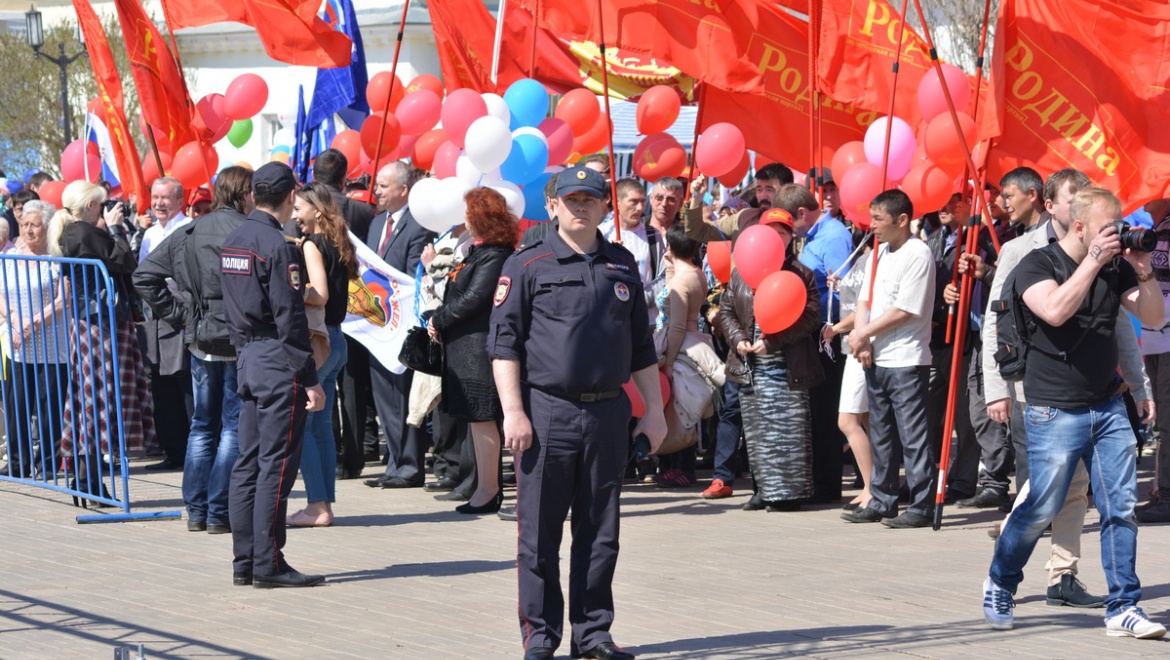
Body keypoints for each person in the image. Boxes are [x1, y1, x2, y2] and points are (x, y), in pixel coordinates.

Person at [489, 166, 667, 660]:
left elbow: (641, 349)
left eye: (591, 199)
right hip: (547, 412)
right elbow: (504, 345)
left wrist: (654, 411)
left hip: (608, 413)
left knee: (600, 530)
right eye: (571, 199)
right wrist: (514, 412)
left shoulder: (621, 265)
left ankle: (592, 634)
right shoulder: (527, 264)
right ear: (552, 206)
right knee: (539, 535)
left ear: (605, 207)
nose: (581, 206)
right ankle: (541, 638)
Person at [981, 188, 1164, 639]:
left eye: (1119, 225)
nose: (1117, 235)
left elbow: (1157, 317)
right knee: (1041, 506)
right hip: (1052, 409)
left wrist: (1142, 274)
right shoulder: (1036, 265)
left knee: (1119, 506)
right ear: (1080, 227)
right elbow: (1056, 311)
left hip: (1107, 404)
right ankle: (1001, 581)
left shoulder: (1116, 266)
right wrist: (1094, 262)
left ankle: (1123, 606)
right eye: (1108, 227)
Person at [220, 162, 326, 589]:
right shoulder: (277, 246)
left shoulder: (235, 239)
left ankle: (245, 559)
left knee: (249, 462)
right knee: (276, 466)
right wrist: (310, 376)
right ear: (288, 197)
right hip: (278, 359)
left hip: (249, 355)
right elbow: (290, 319)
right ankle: (268, 562)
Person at [134, 167, 254, 534]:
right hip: (231, 338)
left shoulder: (193, 230)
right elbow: (144, 278)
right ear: (242, 193)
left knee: (204, 426)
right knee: (228, 427)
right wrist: (182, 313)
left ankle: (200, 510)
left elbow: (144, 277)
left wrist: (185, 314)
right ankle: (214, 511)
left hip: (206, 337)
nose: (254, 198)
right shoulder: (248, 232)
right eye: (251, 191)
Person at [50, 181, 155, 502]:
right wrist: (116, 229)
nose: (107, 208)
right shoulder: (84, 232)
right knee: (98, 400)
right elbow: (124, 261)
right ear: (90, 206)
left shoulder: (75, 231)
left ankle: (87, 479)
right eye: (102, 204)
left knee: (90, 400)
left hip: (92, 322)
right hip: (100, 324)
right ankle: (90, 480)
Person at [842, 189, 937, 528]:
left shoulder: (918, 253)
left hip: (906, 358)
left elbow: (905, 310)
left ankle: (922, 504)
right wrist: (863, 338)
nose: (872, 227)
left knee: (912, 435)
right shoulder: (877, 254)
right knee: (881, 432)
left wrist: (864, 333)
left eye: (879, 220)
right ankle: (882, 498)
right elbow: (865, 301)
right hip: (876, 357)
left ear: (902, 220)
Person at [717, 207, 823, 510]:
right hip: (750, 368)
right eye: (771, 231)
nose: (777, 237)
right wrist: (739, 340)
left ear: (791, 238)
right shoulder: (741, 272)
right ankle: (762, 489)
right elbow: (726, 311)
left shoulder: (801, 273)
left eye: (784, 232)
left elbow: (811, 316)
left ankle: (789, 495)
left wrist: (773, 341)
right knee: (758, 432)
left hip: (788, 367)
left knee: (787, 432)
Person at [427, 187, 516, 514]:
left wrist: (440, 317)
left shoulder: (496, 255)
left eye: (468, 214)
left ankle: (489, 491)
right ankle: (483, 488)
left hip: (478, 349)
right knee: (478, 422)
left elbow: (475, 299)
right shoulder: (480, 252)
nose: (463, 220)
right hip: (466, 348)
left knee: (483, 420)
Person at [285, 181, 358, 527]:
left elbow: (321, 295)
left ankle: (317, 506)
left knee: (306, 426)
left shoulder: (314, 244)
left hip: (319, 341)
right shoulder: (335, 241)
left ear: (316, 208)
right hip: (337, 339)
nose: (295, 215)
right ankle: (323, 504)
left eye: (299, 208)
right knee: (322, 428)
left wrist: (290, 291)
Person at [363, 162, 437, 490]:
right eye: (376, 185)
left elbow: (410, 279)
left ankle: (409, 466)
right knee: (385, 400)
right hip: (376, 325)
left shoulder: (417, 224)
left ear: (403, 189)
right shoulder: (377, 223)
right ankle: (394, 463)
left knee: (403, 399)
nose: (376, 191)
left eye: (383, 185)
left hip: (402, 327)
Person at [0, 200, 68, 478]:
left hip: (51, 343)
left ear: (47, 227)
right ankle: (17, 462)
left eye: (35, 225)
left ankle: (48, 463)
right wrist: (15, 321)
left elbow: (64, 299)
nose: (28, 230)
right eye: (24, 224)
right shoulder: (11, 255)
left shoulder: (57, 257)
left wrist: (34, 323)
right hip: (18, 342)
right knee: (17, 405)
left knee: (49, 404)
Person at [139, 176, 193, 472]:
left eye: (166, 198)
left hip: (177, 313)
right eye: (155, 197)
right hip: (154, 317)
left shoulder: (186, 229)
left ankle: (193, 452)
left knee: (184, 383)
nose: (159, 203)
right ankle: (173, 450)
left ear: (179, 201)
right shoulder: (148, 234)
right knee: (160, 385)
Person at [1135, 197, 1170, 523]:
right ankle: (1163, 491)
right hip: (1156, 337)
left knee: (1168, 421)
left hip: (1167, 339)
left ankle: (1167, 496)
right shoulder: (1156, 229)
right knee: (1162, 420)